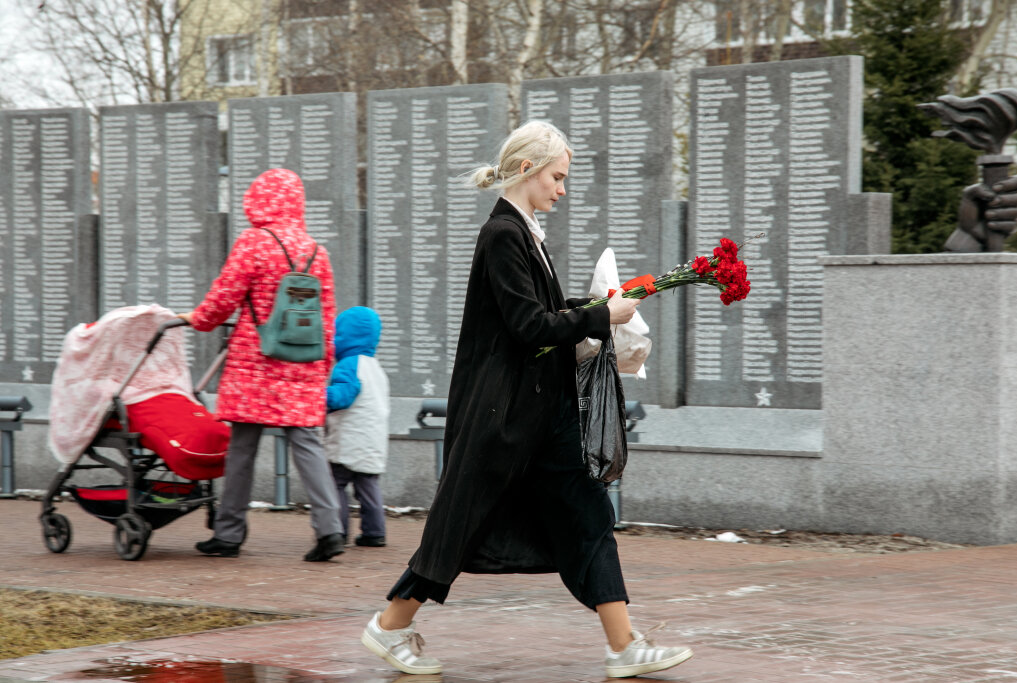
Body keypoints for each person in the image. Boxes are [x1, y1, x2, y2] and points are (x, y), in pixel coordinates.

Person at [359, 121, 693, 678]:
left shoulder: (522, 232)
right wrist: (599, 316)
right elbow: (528, 324)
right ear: (525, 170)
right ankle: (390, 625)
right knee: (459, 528)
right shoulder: (503, 235)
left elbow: (541, 309)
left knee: (587, 517)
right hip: (505, 417)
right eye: (556, 177)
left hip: (535, 414)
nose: (562, 189)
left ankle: (624, 645)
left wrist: (604, 303)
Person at [178, 168, 345, 563]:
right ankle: (330, 529)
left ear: (256, 199)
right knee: (307, 445)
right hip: (302, 364)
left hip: (256, 362)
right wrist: (324, 368)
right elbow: (327, 316)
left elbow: (224, 298)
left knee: (242, 448)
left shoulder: (254, 243)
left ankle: (229, 532)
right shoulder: (315, 251)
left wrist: (196, 319)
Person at [324, 305, 390, 548]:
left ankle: (337, 531)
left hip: (349, 439)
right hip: (372, 441)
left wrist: (318, 396)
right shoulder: (375, 367)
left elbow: (342, 396)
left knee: (336, 485)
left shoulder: (349, 364)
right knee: (368, 487)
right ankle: (375, 533)